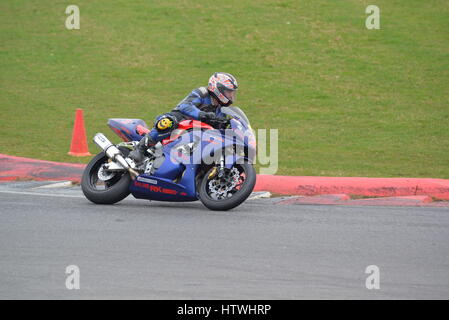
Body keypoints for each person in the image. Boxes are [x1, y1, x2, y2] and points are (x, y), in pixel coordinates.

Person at [128, 72, 238, 163]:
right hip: (179, 120)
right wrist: (202, 115)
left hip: (193, 135)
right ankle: (140, 149)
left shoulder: (220, 111)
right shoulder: (203, 93)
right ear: (218, 88)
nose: (231, 96)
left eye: (232, 93)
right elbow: (185, 106)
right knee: (168, 122)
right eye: (228, 92)